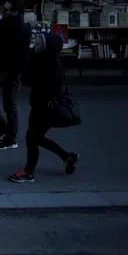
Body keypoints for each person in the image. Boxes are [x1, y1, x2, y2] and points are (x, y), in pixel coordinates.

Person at [9, 31, 79, 183]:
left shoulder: (50, 67)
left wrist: (29, 61)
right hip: (41, 106)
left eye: (40, 42)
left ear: (48, 48)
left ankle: (28, 172)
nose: (36, 43)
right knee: (35, 137)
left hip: (45, 108)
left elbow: (30, 80)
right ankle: (67, 157)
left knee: (32, 138)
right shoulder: (45, 60)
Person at [0, 0, 30, 150]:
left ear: (15, 12)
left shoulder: (21, 28)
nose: (3, 12)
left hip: (10, 71)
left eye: (6, 10)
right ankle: (5, 128)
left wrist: (14, 74)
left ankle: (11, 137)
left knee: (9, 104)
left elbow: (21, 56)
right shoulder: (6, 24)